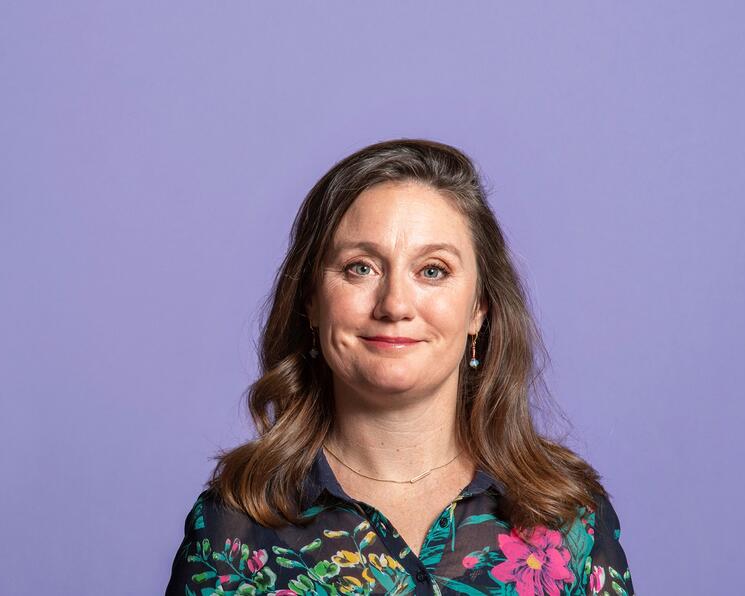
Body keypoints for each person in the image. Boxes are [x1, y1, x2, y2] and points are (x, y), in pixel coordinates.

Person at [164, 138, 635, 596]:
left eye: (432, 270)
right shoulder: (233, 530)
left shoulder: (570, 518)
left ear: (479, 309)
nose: (394, 305)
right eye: (360, 268)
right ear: (311, 301)